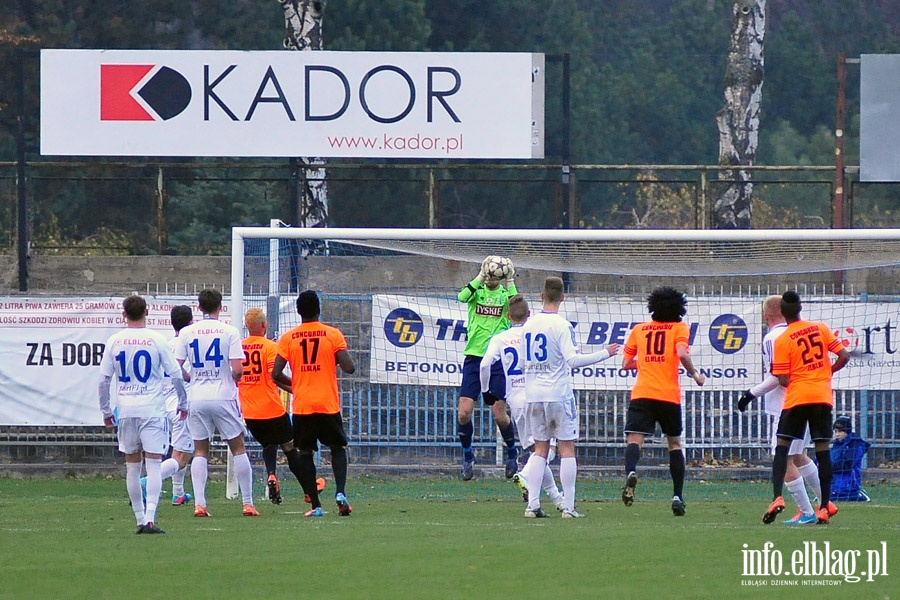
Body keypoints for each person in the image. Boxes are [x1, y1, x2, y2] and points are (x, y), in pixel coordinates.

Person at [519, 276, 619, 518]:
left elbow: (523, 363)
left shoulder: (527, 326)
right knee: (566, 449)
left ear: (541, 296)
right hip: (557, 395)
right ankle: (570, 508)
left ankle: (532, 506)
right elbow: (573, 360)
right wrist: (605, 353)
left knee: (540, 450)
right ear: (563, 298)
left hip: (533, 395)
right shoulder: (562, 326)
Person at [99, 294, 188, 534]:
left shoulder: (114, 341)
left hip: (126, 409)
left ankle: (139, 519)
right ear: (146, 312)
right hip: (152, 409)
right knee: (154, 464)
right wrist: (183, 403)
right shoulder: (156, 339)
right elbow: (177, 374)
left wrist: (106, 410)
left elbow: (104, 380)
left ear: (123, 314)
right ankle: (150, 518)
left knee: (132, 466)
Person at [764, 290, 850, 525]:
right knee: (822, 451)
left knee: (781, 448)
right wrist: (826, 373)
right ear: (800, 309)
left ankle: (777, 497)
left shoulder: (782, 339)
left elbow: (782, 378)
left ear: (782, 313)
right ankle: (823, 507)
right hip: (822, 397)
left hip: (797, 398)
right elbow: (844, 355)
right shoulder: (820, 328)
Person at [737, 295, 825, 525]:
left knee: (783, 458)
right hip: (809, 401)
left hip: (785, 406)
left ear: (766, 316)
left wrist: (751, 394)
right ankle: (826, 502)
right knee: (799, 455)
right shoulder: (804, 332)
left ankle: (807, 512)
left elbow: (779, 377)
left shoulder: (774, 337)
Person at [621, 286, 705, 516]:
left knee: (635, 440)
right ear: (679, 309)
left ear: (653, 307)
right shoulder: (679, 328)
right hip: (668, 395)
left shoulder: (640, 329)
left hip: (643, 393)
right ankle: (677, 495)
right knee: (675, 444)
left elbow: (626, 363)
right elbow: (682, 354)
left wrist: (647, 362)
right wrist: (695, 375)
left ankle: (631, 471)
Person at [272, 290, 356, 518]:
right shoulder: (332, 334)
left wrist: (295, 385)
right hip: (328, 403)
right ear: (318, 309)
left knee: (306, 452)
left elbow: (276, 374)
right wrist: (336, 359)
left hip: (303, 406)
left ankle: (316, 505)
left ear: (299, 312)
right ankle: (340, 492)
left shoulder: (289, 338)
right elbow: (350, 367)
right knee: (337, 448)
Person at [174, 288, 258, 518]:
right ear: (221, 307)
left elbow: (175, 367)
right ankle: (248, 503)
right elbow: (238, 370)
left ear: (199, 308)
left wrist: (190, 376)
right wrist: (232, 377)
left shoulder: (187, 332)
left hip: (197, 397)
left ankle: (200, 504)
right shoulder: (229, 331)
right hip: (223, 395)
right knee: (238, 447)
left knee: (200, 450)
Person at [479, 294, 566, 512]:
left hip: (515, 399)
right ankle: (525, 476)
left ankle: (545, 502)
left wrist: (485, 391)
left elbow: (484, 365)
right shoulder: (534, 333)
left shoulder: (500, 338)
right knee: (548, 450)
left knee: (537, 453)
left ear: (508, 316)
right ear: (529, 314)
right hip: (537, 394)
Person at [238, 307, 325, 505]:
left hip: (250, 412)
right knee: (290, 448)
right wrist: (297, 387)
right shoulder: (270, 347)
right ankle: (309, 491)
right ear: (263, 325)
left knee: (269, 443)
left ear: (247, 326)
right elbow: (274, 376)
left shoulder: (239, 347)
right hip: (272, 409)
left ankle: (271, 475)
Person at [457, 256, 520, 481]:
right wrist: (481, 276)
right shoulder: (476, 292)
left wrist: (510, 280)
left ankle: (512, 453)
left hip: (498, 360)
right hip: (474, 357)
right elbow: (461, 296)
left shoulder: (505, 296)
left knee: (498, 414)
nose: (493, 277)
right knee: (464, 412)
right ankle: (467, 457)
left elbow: (518, 307)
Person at [162, 305, 195, 506]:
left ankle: (178, 493)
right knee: (183, 455)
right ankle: (149, 482)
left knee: (180, 449)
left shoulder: (166, 345)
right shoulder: (188, 346)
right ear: (191, 322)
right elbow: (185, 375)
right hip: (181, 404)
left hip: (165, 403)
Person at [829, 415, 871, 502]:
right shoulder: (835, 446)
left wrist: (827, 467)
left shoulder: (855, 445)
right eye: (835, 431)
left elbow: (847, 465)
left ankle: (859, 495)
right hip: (834, 486)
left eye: (840, 431)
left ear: (847, 431)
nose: (837, 434)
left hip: (849, 487)